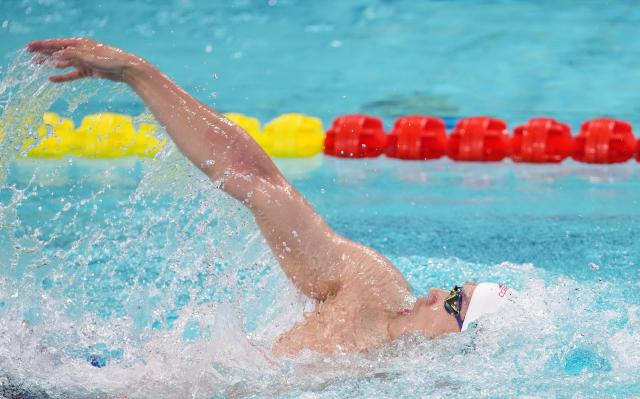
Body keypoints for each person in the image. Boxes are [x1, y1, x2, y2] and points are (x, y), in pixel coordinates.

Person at [27, 38, 516, 356]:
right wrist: (138, 72)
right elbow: (257, 180)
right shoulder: (372, 290)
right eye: (453, 287)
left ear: (466, 344)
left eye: (454, 302)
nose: (435, 292)